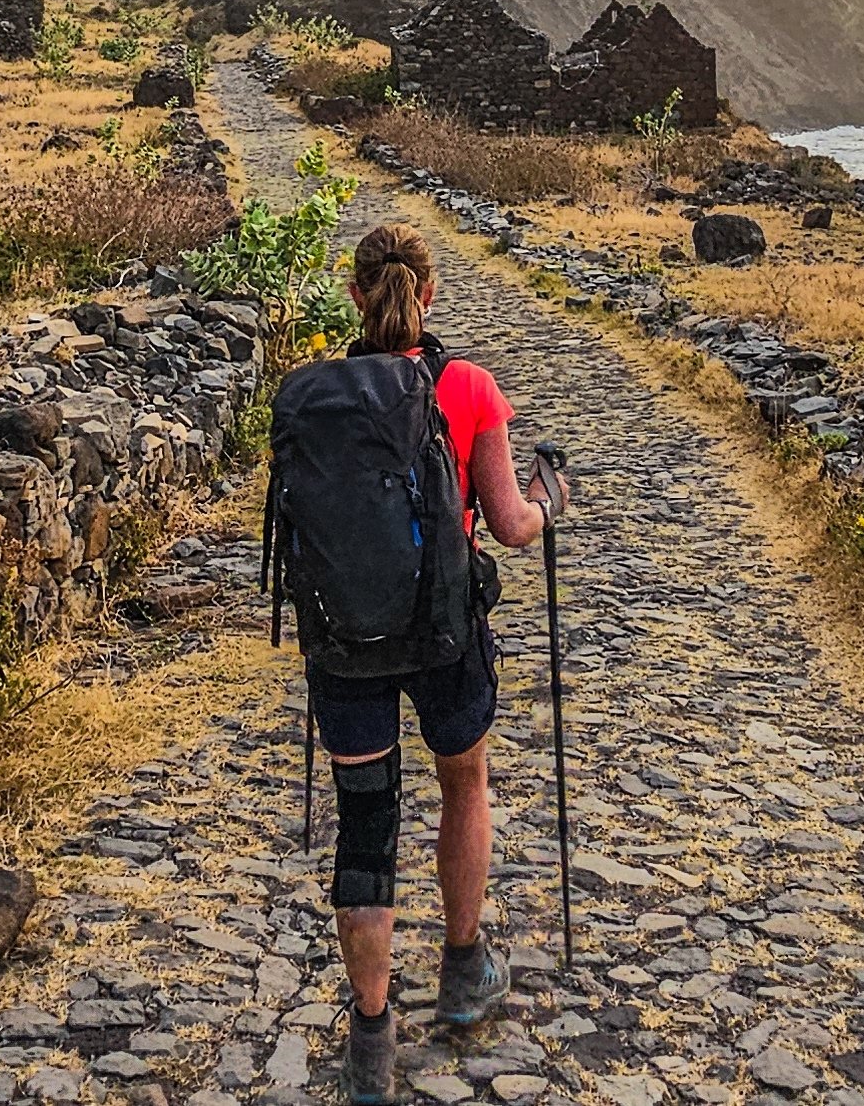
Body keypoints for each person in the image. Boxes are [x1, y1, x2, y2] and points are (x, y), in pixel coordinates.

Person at [313, 222, 561, 1104]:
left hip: (345, 639)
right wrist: (549, 498)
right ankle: (462, 969)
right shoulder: (467, 386)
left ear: (355, 296)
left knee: (365, 819)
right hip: (446, 630)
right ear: (430, 293)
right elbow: (511, 524)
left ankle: (371, 1038)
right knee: (464, 782)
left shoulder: (315, 396)